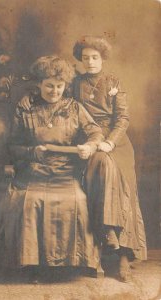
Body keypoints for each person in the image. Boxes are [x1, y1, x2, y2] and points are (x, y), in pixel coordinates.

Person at [18, 36, 147, 282]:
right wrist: (28, 96)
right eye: (85, 57)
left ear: (103, 58)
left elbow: (123, 119)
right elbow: (49, 89)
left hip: (115, 142)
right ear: (80, 59)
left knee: (122, 188)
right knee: (98, 173)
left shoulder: (113, 82)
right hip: (86, 141)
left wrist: (109, 141)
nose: (90, 62)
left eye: (95, 57)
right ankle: (101, 243)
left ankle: (122, 254)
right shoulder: (74, 83)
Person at [0, 55, 104, 282]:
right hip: (33, 171)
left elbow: (95, 132)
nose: (54, 91)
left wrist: (90, 146)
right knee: (28, 200)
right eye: (49, 86)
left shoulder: (74, 107)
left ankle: (67, 265)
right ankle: (33, 265)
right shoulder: (25, 108)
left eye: (59, 86)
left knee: (78, 202)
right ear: (39, 84)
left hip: (66, 172)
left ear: (65, 86)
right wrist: (30, 153)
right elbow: (12, 145)